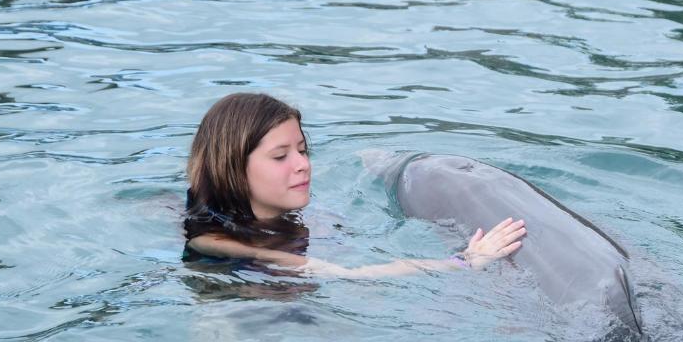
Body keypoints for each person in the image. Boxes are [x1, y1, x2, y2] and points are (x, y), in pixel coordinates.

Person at [184, 92, 526, 277]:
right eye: (280, 157)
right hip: (250, 322)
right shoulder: (219, 243)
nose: (303, 164)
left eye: (303, 150)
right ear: (232, 170)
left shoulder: (291, 217)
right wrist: (465, 261)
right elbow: (351, 275)